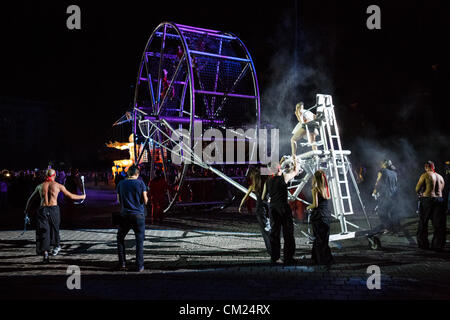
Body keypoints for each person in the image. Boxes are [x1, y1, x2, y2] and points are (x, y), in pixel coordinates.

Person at [24, 169, 86, 262]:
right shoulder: (58, 186)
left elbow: (30, 200)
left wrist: (26, 212)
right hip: (53, 209)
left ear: (46, 175)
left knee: (43, 231)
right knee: (54, 228)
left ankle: (45, 253)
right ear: (55, 175)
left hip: (42, 209)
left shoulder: (40, 186)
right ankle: (56, 246)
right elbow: (70, 196)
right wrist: (82, 196)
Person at [264, 156, 300, 264]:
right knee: (288, 233)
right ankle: (288, 257)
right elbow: (296, 171)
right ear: (279, 168)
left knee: (274, 233)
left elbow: (264, 196)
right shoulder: (284, 177)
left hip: (273, 208)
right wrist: (295, 160)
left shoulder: (268, 181)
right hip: (283, 208)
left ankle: (275, 258)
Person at [116, 165, 148, 272]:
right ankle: (139, 266)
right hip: (138, 215)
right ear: (137, 174)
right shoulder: (140, 183)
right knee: (139, 241)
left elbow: (118, 201)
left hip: (124, 215)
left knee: (120, 238)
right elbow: (145, 200)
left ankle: (122, 264)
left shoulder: (121, 183)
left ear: (128, 174)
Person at [239, 167, 271, 255]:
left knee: (265, 232)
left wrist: (241, 206)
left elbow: (245, 197)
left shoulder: (253, 186)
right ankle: (274, 250)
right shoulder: (267, 183)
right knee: (270, 229)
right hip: (268, 208)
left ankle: (271, 251)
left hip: (260, 209)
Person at [306, 170, 334, 267]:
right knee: (324, 238)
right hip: (326, 215)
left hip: (318, 216)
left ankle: (320, 259)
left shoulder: (315, 189)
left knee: (318, 238)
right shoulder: (327, 189)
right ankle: (321, 257)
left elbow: (315, 204)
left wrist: (308, 207)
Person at [415, 161, 439, 249]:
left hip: (427, 200)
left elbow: (417, 188)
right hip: (438, 201)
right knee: (437, 225)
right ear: (434, 167)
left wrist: (420, 193)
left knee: (423, 223)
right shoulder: (439, 176)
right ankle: (437, 245)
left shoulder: (425, 175)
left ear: (426, 167)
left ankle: (423, 244)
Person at [372, 160, 399, 234]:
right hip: (393, 195)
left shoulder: (383, 171)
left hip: (386, 196)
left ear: (384, 164)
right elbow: (396, 184)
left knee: (381, 212)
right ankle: (394, 228)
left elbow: (378, 182)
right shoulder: (394, 173)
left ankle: (388, 228)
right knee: (391, 212)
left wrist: (374, 192)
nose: (380, 164)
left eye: (381, 163)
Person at [431, 167, 446, 251]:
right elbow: (443, 187)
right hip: (440, 199)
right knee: (439, 224)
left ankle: (435, 244)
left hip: (432, 199)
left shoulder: (427, 176)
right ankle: (439, 244)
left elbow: (418, 189)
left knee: (435, 224)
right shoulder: (441, 177)